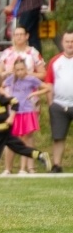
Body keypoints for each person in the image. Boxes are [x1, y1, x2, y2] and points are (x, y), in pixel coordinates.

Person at [0, 73, 49, 179]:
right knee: (20, 148)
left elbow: (15, 102)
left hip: (1, 129)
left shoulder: (0, 97)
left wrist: (11, 117)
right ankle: (40, 155)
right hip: (2, 131)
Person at [2, 58, 45, 174]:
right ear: (14, 70)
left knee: (25, 139)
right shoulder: (11, 79)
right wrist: (7, 95)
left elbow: (47, 87)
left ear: (26, 69)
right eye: (17, 70)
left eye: (22, 69)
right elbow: (0, 87)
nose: (20, 72)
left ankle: (23, 168)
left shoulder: (31, 79)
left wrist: (34, 93)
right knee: (11, 140)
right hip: (14, 112)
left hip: (27, 111)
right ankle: (7, 168)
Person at [43, 30, 73, 173]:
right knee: (58, 136)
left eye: (72, 42)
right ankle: (57, 165)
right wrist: (50, 104)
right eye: (67, 41)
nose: (70, 44)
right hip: (59, 104)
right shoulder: (55, 61)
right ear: (62, 43)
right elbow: (49, 83)